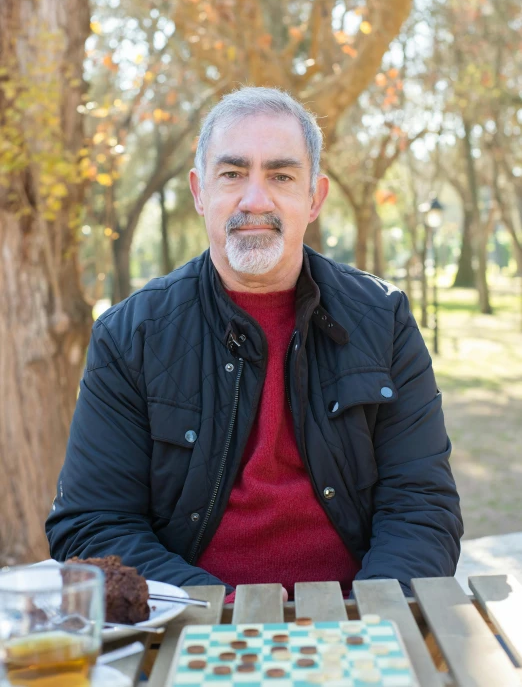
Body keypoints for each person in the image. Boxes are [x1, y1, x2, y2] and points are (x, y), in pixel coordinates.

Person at [46, 87, 463, 602]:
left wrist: (372, 617)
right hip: (194, 626)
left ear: (314, 198)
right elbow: (93, 525)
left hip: (358, 622)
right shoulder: (130, 336)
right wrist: (225, 614)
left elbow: (421, 503)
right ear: (201, 192)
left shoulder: (385, 319)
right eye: (233, 173)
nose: (255, 200)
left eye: (282, 176)